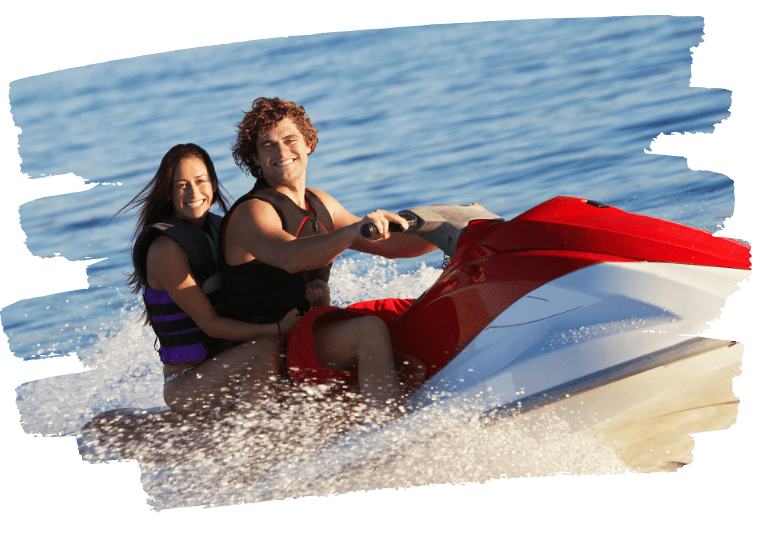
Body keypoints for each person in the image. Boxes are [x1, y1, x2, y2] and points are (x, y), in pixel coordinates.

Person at [222, 98, 436, 406]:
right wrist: (350, 231)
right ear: (255, 157)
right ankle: (390, 432)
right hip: (275, 348)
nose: (282, 152)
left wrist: (452, 227)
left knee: (409, 311)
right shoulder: (253, 213)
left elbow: (392, 246)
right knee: (368, 330)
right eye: (267, 146)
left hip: (311, 333)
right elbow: (290, 256)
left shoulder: (320, 203)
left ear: (308, 143)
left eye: (289, 139)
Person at [120, 143, 302, 413]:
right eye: (181, 185)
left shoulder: (221, 228)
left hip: (227, 362)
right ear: (168, 193)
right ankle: (255, 436)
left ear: (213, 184)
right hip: (187, 381)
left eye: (201, 181)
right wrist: (276, 328)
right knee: (266, 348)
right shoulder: (165, 250)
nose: (194, 192)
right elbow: (210, 324)